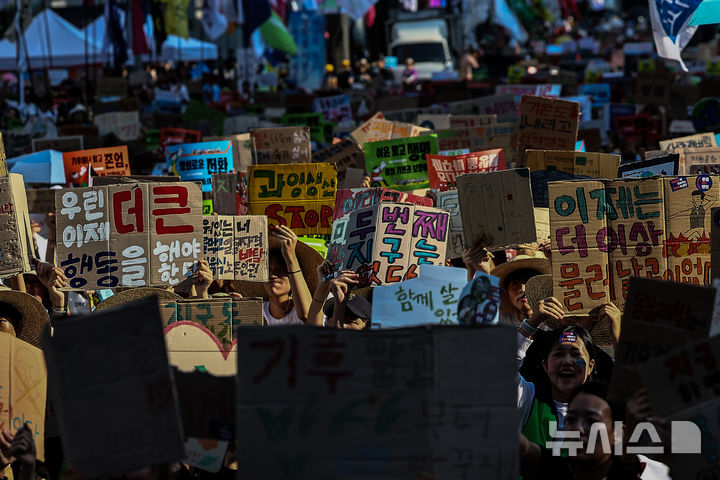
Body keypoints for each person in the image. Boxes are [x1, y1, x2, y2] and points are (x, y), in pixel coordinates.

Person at [519, 382, 671, 479]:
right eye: (571, 419)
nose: (578, 429)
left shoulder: (637, 472)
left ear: (617, 434)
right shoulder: (555, 471)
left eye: (592, 421)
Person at [231, 225, 322, 326]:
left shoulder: (310, 308)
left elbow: (307, 316)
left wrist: (290, 256)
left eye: (281, 270)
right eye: (267, 270)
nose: (272, 275)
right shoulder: (256, 313)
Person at [490, 254, 551, 326]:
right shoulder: (500, 321)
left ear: (541, 289)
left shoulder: (556, 322)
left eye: (529, 283)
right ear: (506, 294)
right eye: (515, 285)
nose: (522, 290)